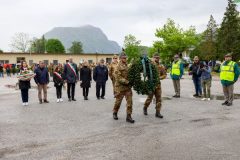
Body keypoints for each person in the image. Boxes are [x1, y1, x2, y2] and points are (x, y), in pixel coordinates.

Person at [113, 52, 135, 123]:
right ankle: (115, 112)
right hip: (120, 88)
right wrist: (127, 82)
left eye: (126, 58)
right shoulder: (117, 67)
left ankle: (129, 116)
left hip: (128, 88)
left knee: (130, 102)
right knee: (118, 102)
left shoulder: (127, 65)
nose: (125, 59)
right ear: (120, 58)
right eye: (124, 58)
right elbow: (118, 77)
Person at [143, 54, 167, 118]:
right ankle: (145, 107)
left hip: (158, 85)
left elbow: (164, 75)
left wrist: (160, 77)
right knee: (149, 98)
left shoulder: (161, 66)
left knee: (159, 99)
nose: (157, 59)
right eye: (155, 58)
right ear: (153, 58)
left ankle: (158, 112)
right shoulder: (150, 65)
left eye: (158, 58)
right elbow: (144, 71)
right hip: (151, 84)